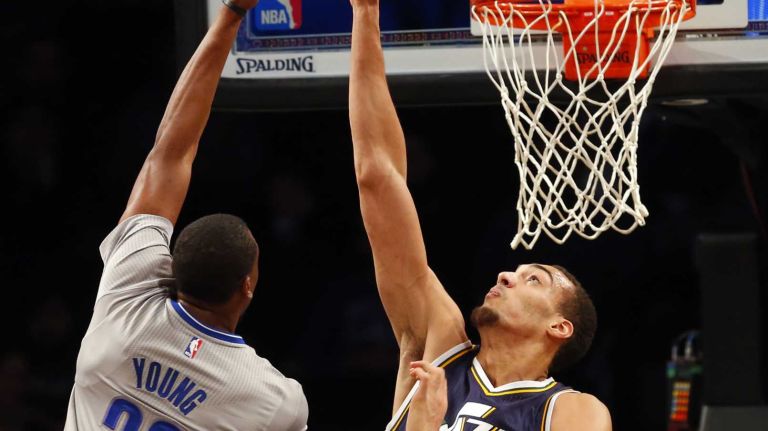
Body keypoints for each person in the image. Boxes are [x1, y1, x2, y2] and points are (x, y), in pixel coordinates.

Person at [347, 1, 612, 430]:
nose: (505, 275)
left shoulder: (574, 410)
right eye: (517, 272)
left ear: (559, 327)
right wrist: (365, 14)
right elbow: (377, 176)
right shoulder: (438, 349)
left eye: (534, 279)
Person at [64, 1, 308, 429]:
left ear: (170, 269)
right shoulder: (273, 401)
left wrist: (231, 13)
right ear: (247, 286)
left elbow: (169, 155)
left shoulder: (126, 293)